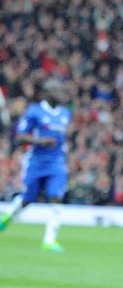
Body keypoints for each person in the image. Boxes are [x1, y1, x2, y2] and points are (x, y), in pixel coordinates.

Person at [0, 78, 72, 252]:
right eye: (57, 90)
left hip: (56, 163)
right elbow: (19, 137)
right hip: (36, 162)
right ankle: (8, 216)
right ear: (46, 94)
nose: (61, 93)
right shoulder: (34, 112)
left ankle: (49, 240)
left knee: (56, 197)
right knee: (27, 199)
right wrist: (39, 141)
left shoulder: (65, 113)